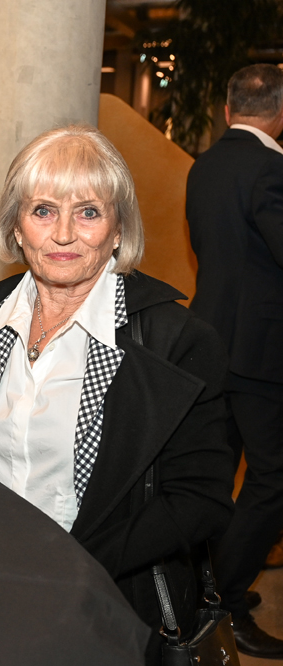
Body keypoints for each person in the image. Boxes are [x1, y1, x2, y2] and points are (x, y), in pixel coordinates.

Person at [0, 125, 234, 663]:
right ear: (16, 226)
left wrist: (70, 562)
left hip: (106, 602)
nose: (63, 234)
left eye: (88, 212)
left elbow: (201, 501)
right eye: (42, 210)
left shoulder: (176, 341)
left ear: (118, 229)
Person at [186, 63, 283, 658]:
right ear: (279, 114)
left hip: (210, 339)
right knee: (273, 477)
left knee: (215, 474)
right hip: (261, 348)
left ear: (227, 110)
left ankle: (203, 591)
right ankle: (225, 600)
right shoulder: (270, 168)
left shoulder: (204, 165)